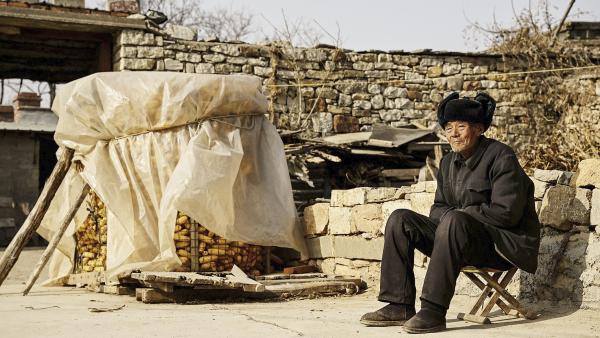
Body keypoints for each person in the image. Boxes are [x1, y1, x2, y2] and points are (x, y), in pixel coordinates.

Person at [360, 92, 541, 334]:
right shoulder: (447, 163)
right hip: (455, 239)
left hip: (501, 247)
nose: (453, 133)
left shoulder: (501, 156)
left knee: (455, 219)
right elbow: (438, 209)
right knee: (400, 219)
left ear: (478, 129)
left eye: (461, 127)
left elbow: (506, 213)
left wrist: (461, 215)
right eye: (448, 127)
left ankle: (433, 311)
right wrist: (454, 218)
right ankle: (398, 305)